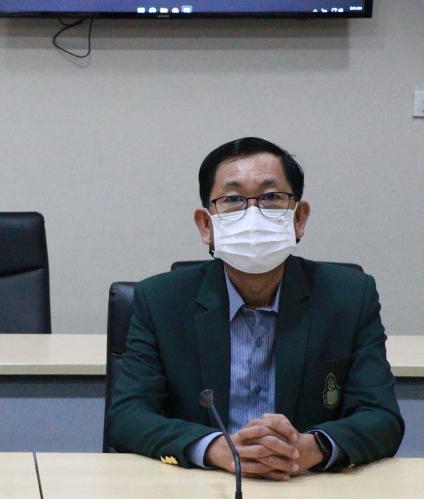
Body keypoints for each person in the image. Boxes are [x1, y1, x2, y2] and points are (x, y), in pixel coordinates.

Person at [107, 137, 403, 480]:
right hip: (202, 484)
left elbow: (381, 417)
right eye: (233, 199)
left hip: (306, 482)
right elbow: (127, 416)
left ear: (299, 218)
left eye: (271, 197)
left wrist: (310, 448)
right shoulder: (161, 300)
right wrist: (216, 448)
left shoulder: (348, 297)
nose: (253, 214)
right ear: (206, 225)